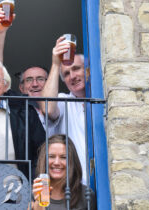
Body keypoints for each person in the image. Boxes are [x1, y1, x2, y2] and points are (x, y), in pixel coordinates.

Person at [0, 7, 49, 130]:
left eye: (40, 79)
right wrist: (0, 33)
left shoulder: (62, 105)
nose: (35, 84)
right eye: (28, 80)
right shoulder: (15, 109)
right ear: (21, 88)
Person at [40, 35, 87, 184]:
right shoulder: (64, 101)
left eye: (76, 69)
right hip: (74, 187)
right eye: (66, 74)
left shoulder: (105, 100)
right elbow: (47, 107)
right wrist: (55, 64)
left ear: (88, 71)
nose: (72, 76)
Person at [32, 134, 96, 210]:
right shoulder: (29, 194)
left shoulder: (86, 195)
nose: (56, 162)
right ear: (44, 160)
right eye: (51, 156)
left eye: (63, 157)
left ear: (72, 161)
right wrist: (38, 204)